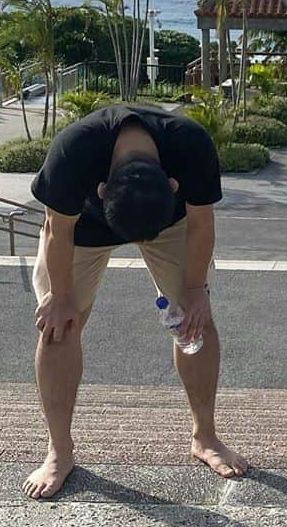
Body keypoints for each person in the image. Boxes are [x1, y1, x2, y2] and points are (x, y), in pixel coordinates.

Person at [22, 105, 248, 499]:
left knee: (196, 321)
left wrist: (195, 291)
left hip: (168, 219)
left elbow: (201, 223)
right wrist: (59, 299)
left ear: (175, 184)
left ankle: (205, 436)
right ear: (102, 188)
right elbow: (56, 228)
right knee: (58, 328)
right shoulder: (74, 150)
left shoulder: (190, 144)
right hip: (82, 228)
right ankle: (59, 451)